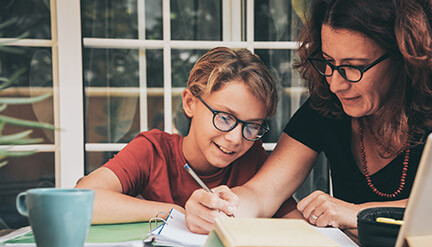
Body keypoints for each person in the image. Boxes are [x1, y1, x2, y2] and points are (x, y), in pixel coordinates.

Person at [185, 0, 432, 233]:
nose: (335, 83)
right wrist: (224, 208)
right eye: (327, 62)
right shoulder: (327, 105)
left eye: (354, 66)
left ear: (405, 55)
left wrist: (357, 212)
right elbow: (262, 193)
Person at [76, 47, 300, 224]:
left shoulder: (254, 160)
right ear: (190, 103)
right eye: (224, 117)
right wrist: (176, 213)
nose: (235, 138)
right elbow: (81, 200)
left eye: (252, 126)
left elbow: (297, 226)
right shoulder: (153, 151)